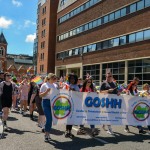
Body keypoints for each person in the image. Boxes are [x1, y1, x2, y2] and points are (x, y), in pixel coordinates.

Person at [39, 73, 58, 142]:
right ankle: (46, 134)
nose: (55, 80)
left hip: (53, 103)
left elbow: (57, 94)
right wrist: (46, 91)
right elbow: (40, 95)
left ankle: (47, 131)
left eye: (55, 78)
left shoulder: (55, 85)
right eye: (54, 78)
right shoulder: (44, 85)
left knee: (50, 119)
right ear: (49, 78)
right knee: (49, 118)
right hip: (46, 102)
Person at [63, 74, 80, 138]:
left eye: (73, 79)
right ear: (69, 79)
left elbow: (79, 95)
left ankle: (70, 131)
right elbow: (62, 93)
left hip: (74, 104)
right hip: (67, 103)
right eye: (71, 78)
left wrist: (74, 90)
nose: (72, 80)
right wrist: (68, 90)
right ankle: (67, 131)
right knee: (68, 118)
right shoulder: (66, 85)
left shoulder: (76, 86)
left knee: (72, 118)